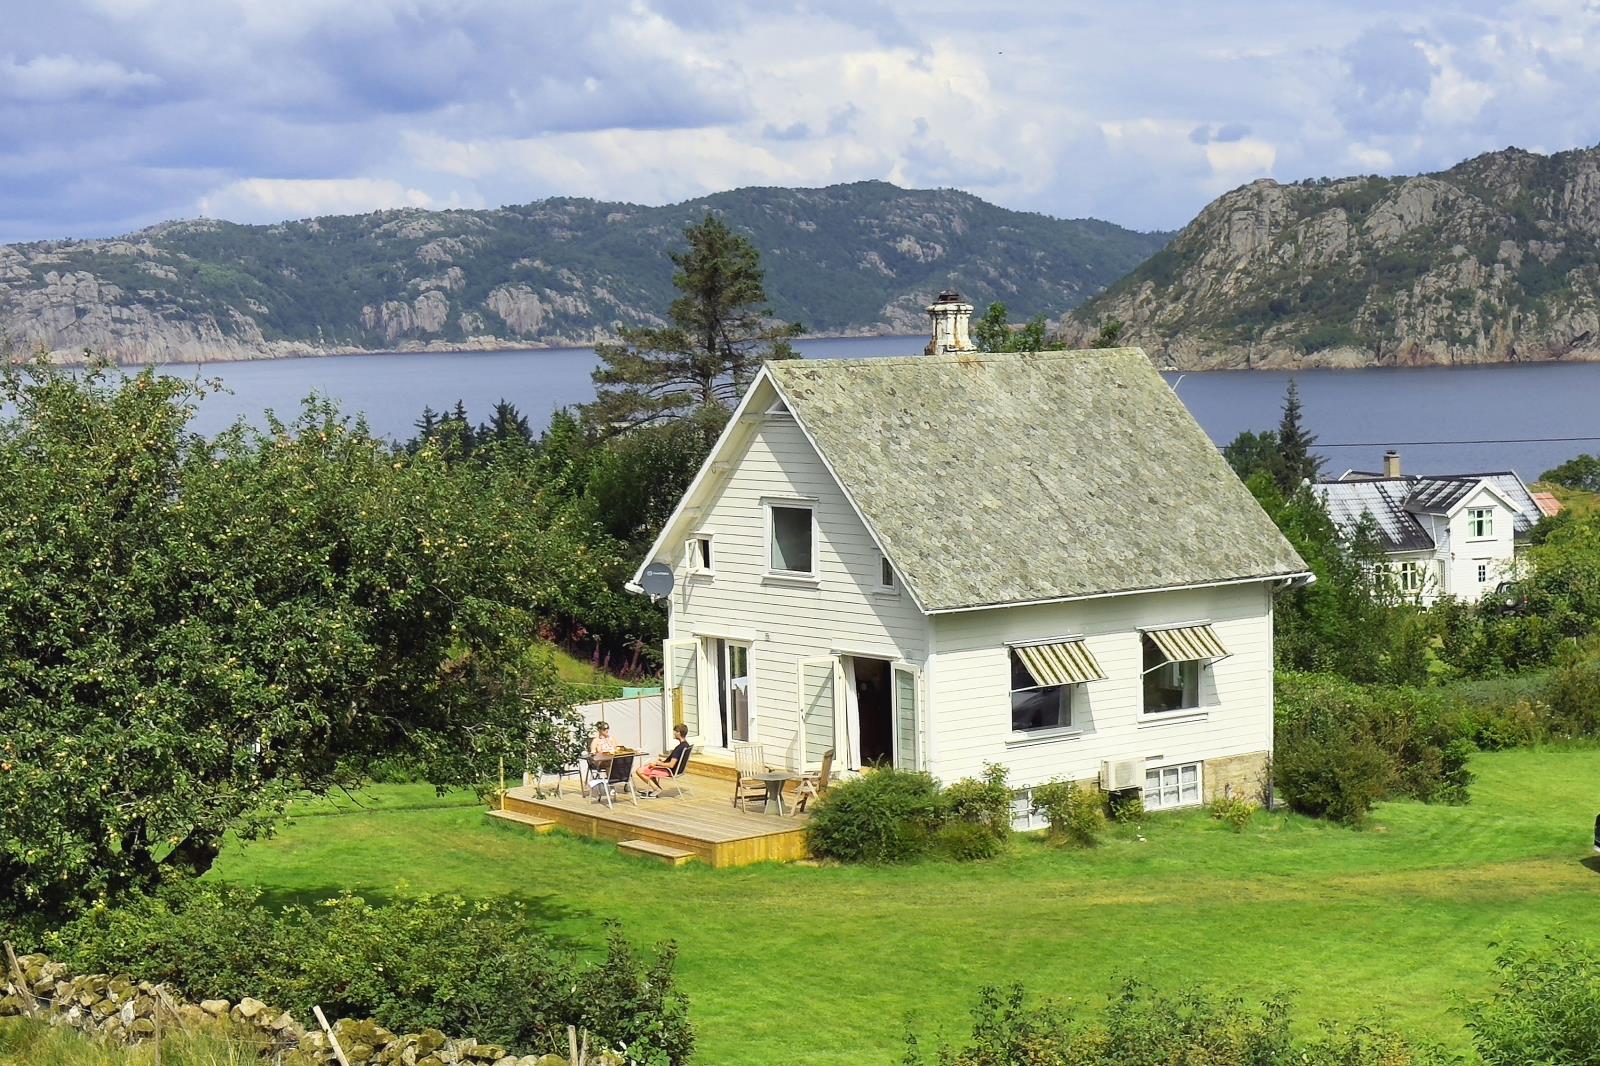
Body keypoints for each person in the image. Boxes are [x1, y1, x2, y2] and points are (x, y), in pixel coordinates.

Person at [636, 723, 691, 797]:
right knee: (648, 767)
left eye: (675, 731)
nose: (674, 733)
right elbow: (676, 760)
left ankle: (656, 789)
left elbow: (671, 765)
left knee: (639, 771)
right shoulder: (686, 745)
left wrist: (658, 763)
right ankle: (656, 788)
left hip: (669, 771)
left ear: (679, 733)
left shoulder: (679, 748)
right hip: (677, 770)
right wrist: (663, 760)